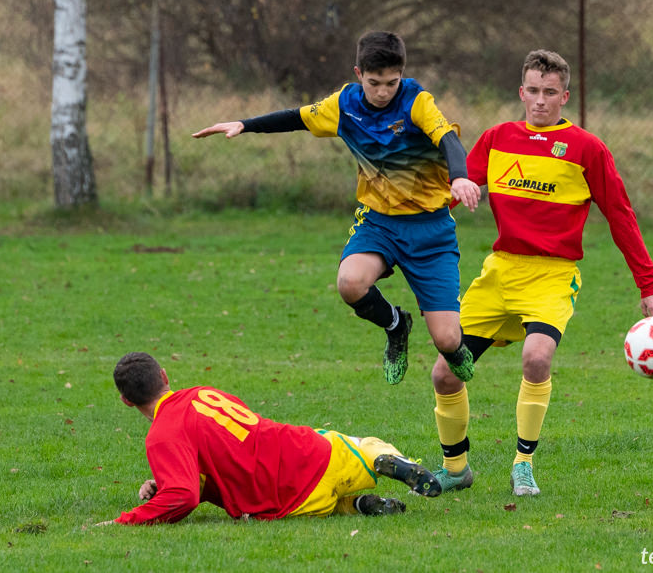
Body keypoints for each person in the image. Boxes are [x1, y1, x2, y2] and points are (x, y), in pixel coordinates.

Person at [428, 50, 653, 496]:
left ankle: (523, 465)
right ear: (522, 93)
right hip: (500, 272)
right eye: (533, 91)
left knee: (536, 358)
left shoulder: (587, 149)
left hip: (553, 275)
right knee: (444, 373)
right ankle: (455, 467)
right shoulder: (498, 138)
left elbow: (620, 215)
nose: (540, 101)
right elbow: (452, 191)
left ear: (565, 97)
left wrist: (648, 285)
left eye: (550, 93)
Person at [192, 31, 481, 386]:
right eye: (374, 83)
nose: (382, 92)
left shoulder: (416, 101)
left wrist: (460, 177)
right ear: (359, 73)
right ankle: (396, 325)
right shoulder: (345, 105)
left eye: (391, 83)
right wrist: (245, 125)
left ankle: (453, 350)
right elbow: (297, 116)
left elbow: (447, 139)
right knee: (350, 283)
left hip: (430, 230)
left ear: (401, 76)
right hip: (380, 224)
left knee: (447, 339)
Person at [95, 352, 442, 526]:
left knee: (322, 509)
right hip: (310, 453)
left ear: (127, 401)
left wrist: (124, 519)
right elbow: (220, 453)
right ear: (165, 376)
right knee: (365, 447)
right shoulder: (203, 393)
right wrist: (166, 482)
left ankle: (357, 507)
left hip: (281, 505)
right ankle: (388, 464)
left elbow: (184, 495)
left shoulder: (162, 436)